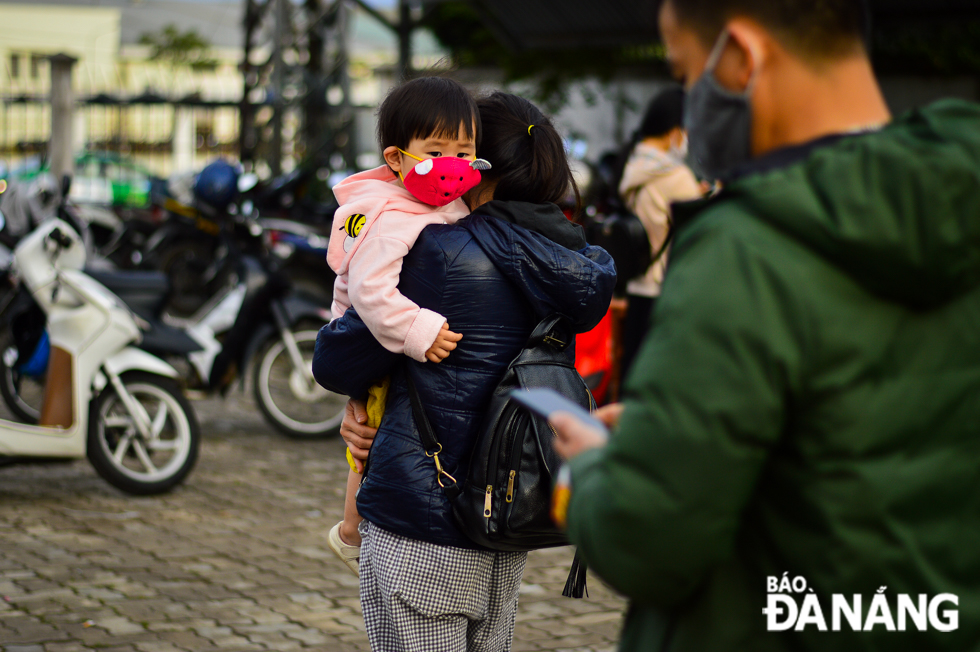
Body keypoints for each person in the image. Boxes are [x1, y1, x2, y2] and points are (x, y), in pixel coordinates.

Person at [550, 0, 980, 651]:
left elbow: (648, 542)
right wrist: (674, 428)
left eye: (687, 71)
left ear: (743, 57)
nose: (692, 101)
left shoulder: (745, 248)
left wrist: (592, 474)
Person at [313, 91, 616, 651]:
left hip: (424, 519)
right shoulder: (570, 261)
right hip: (506, 516)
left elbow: (335, 360)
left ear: (481, 169)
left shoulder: (438, 252)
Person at [325, 77, 484, 574]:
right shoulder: (392, 214)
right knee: (368, 435)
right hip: (373, 343)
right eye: (436, 150)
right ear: (396, 158)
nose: (454, 165)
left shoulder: (441, 203)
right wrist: (419, 331)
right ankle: (352, 532)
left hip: (374, 345)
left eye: (466, 151)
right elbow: (372, 293)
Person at [617, 86, 701, 378]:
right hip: (666, 291)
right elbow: (698, 233)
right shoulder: (677, 178)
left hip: (636, 286)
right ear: (673, 131)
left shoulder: (631, 166)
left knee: (632, 372)